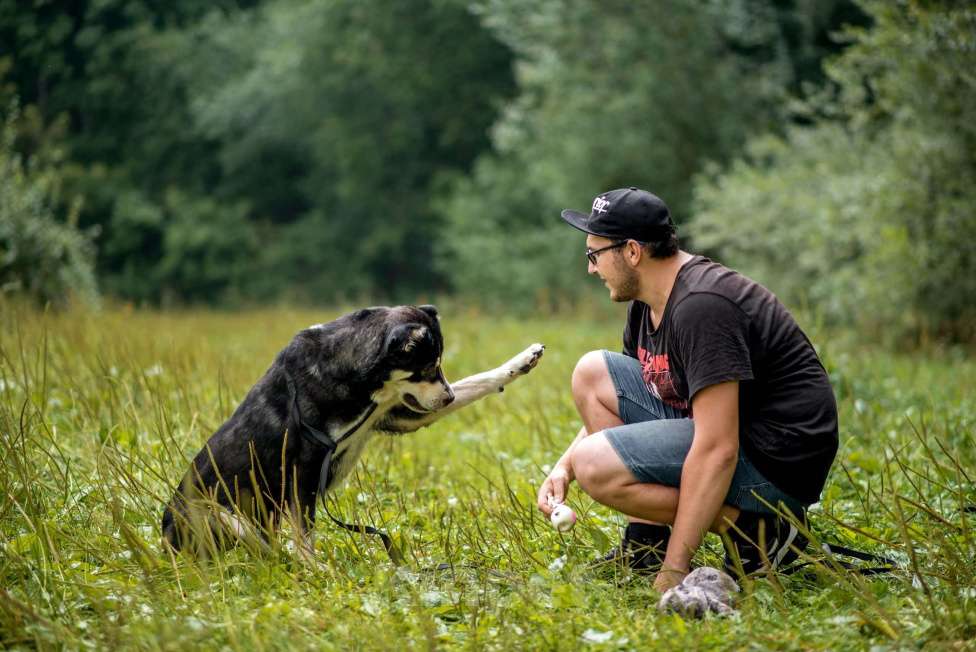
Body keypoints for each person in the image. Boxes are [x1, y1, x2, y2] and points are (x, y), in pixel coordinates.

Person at [537, 187, 838, 592]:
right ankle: (647, 546)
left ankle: (758, 532)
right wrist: (563, 466)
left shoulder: (701, 305)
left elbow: (718, 448)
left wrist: (675, 574)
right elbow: (628, 405)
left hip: (777, 459)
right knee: (592, 374)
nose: (591, 268)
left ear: (631, 252)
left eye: (594, 254)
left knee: (596, 464)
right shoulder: (647, 302)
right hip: (733, 433)